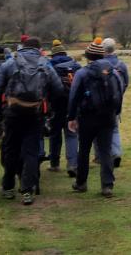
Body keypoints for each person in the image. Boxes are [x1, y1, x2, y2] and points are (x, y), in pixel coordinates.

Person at [0, 37, 64, 206]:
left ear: (22, 47)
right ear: (39, 49)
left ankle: (8, 187)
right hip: (35, 114)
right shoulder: (45, 64)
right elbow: (58, 89)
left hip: (12, 114)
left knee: (11, 150)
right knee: (31, 151)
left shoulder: (10, 63)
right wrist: (48, 102)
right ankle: (27, 191)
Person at [68, 38, 122, 198]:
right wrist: (116, 113)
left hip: (87, 117)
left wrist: (71, 117)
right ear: (103, 56)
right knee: (105, 150)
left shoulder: (82, 73)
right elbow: (119, 94)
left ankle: (81, 183)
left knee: (84, 150)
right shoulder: (113, 72)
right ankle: (107, 186)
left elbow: (74, 96)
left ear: (88, 56)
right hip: (108, 117)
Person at [47, 39, 81, 176]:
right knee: (72, 134)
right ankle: (72, 164)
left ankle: (54, 163)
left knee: (55, 135)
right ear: (65, 52)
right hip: (72, 106)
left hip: (55, 106)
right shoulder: (76, 66)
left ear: (53, 55)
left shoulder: (50, 67)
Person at [95, 37, 129, 168]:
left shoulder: (98, 64)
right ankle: (116, 153)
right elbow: (126, 83)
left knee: (97, 130)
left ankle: (99, 156)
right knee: (114, 129)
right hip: (115, 102)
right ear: (114, 48)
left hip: (98, 102)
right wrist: (118, 95)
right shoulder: (121, 65)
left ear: (103, 49)